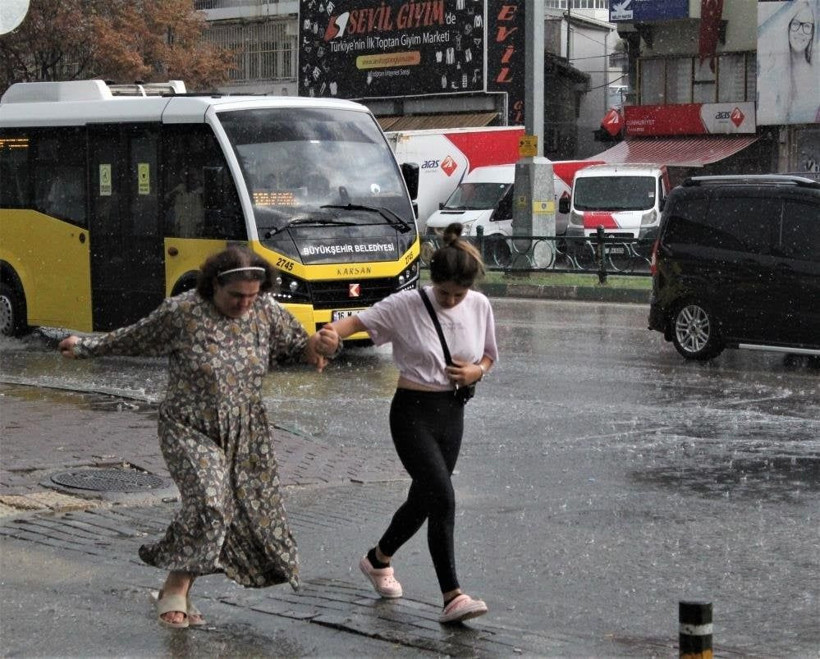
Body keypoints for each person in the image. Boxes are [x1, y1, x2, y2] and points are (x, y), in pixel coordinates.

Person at [58, 246, 340, 630]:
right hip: (188, 428)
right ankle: (175, 588)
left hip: (246, 433)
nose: (244, 304)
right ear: (213, 286)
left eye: (252, 296)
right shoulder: (183, 312)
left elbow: (297, 348)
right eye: (236, 296)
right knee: (211, 502)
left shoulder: (265, 312)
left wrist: (321, 345)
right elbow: (133, 338)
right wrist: (85, 347)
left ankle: (179, 588)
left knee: (243, 517)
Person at [316, 222, 498, 624]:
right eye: (445, 293)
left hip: (453, 412)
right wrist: (328, 337)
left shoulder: (480, 305)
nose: (452, 301)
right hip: (412, 413)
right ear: (434, 282)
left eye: (460, 294)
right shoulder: (406, 305)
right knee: (443, 497)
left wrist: (476, 372)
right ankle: (452, 596)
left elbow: (488, 355)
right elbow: (354, 324)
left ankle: (378, 559)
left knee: (425, 499)